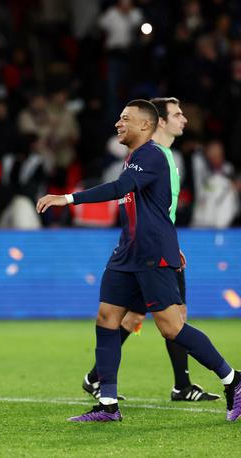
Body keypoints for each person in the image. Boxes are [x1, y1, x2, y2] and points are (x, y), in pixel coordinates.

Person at [36, 99, 241, 422]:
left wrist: (67, 198)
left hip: (151, 254)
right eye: (118, 118)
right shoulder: (135, 158)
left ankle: (234, 380)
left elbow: (120, 188)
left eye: (125, 119)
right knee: (107, 318)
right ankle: (107, 405)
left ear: (146, 125)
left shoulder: (152, 156)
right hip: (127, 252)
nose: (118, 123)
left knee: (172, 327)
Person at [81, 97, 220, 402]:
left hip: (158, 248)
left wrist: (172, 244)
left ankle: (177, 385)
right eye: (177, 113)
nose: (183, 118)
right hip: (148, 253)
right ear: (159, 121)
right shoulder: (153, 156)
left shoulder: (159, 156)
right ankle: (188, 384)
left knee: (137, 319)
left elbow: (160, 209)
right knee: (165, 320)